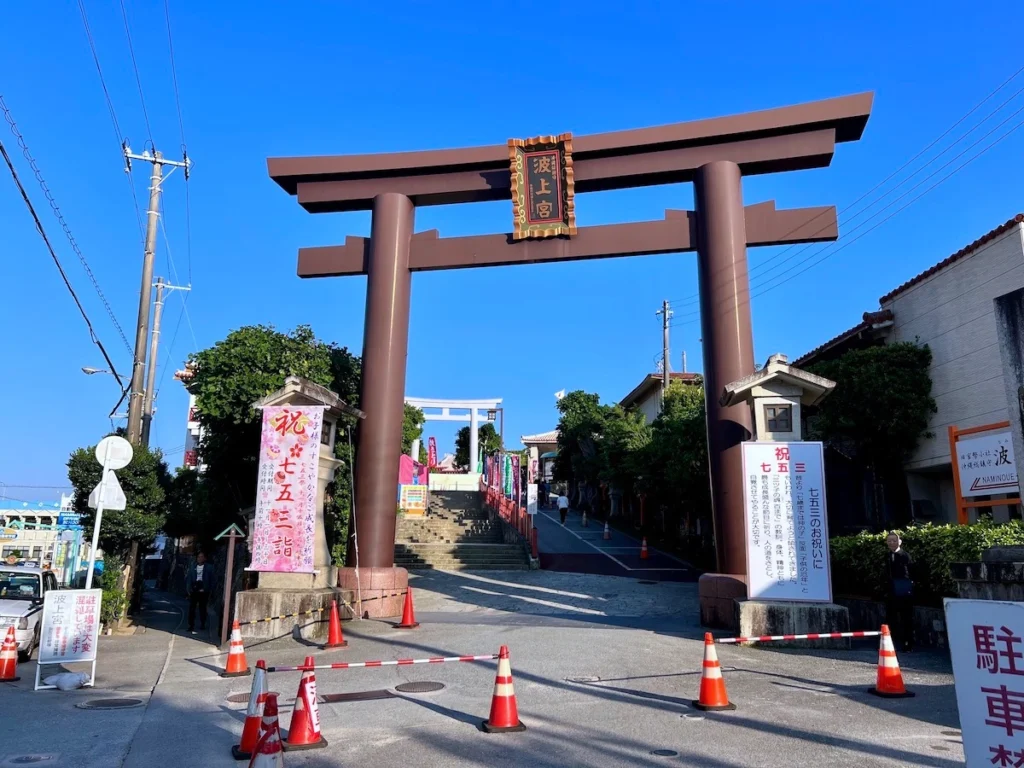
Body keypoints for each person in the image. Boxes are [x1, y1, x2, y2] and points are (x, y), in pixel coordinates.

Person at [885, 532, 914, 652]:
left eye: (894, 540)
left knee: (906, 617)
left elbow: (911, 572)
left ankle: (908, 643)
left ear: (900, 542)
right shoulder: (887, 556)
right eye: (889, 541)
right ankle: (891, 642)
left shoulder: (905, 556)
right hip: (891, 590)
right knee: (890, 617)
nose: (892, 543)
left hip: (904, 590)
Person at [186, 552, 212, 634]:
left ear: (205, 558)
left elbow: (212, 580)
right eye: (198, 557)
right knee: (192, 608)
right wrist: (188, 589)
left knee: (202, 608)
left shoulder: (209, 567)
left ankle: (203, 623)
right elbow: (189, 578)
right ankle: (191, 625)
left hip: (204, 589)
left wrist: (206, 589)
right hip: (194, 588)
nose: (200, 558)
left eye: (201, 557)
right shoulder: (193, 567)